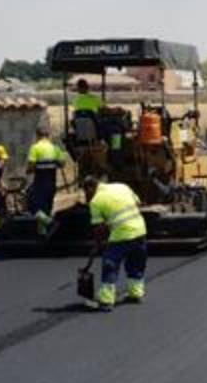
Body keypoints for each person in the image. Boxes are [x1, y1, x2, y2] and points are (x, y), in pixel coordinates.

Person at [83, 176, 148, 311]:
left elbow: (99, 228)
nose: (86, 196)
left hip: (121, 235)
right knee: (135, 263)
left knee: (110, 264)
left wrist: (97, 246)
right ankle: (135, 293)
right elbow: (138, 204)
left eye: (86, 192)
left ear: (90, 188)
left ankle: (106, 301)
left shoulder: (96, 201)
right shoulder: (122, 186)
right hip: (140, 230)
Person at [26, 127, 68, 235]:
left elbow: (31, 166)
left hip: (40, 182)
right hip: (52, 182)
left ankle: (50, 223)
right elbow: (63, 164)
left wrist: (29, 170)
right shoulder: (55, 148)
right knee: (46, 209)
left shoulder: (35, 148)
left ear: (37, 135)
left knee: (32, 206)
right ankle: (43, 234)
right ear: (48, 135)